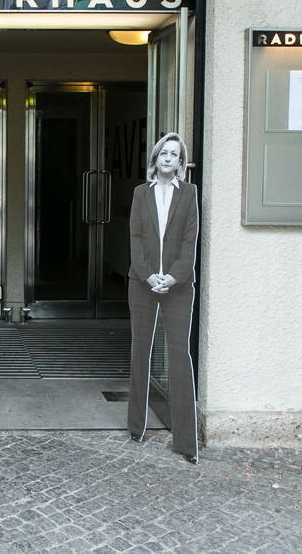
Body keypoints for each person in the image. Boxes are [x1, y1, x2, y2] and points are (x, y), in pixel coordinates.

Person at [126, 132, 200, 464]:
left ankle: (185, 443)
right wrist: (148, 276)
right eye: (163, 153)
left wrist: (172, 277)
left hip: (178, 286)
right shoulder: (141, 194)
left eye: (175, 154)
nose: (168, 158)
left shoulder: (189, 195)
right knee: (140, 352)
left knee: (179, 358)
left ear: (181, 163)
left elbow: (190, 241)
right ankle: (136, 428)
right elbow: (136, 239)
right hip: (142, 284)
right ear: (155, 159)